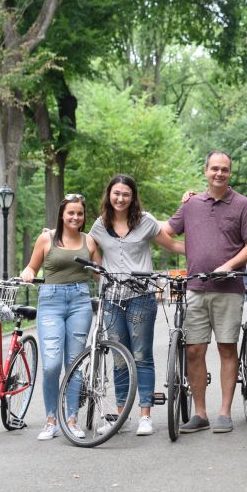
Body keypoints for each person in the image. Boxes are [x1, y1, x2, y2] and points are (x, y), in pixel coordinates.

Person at [163, 152, 247, 434]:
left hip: (229, 289)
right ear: (206, 171)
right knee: (194, 350)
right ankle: (200, 413)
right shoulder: (191, 204)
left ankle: (225, 412)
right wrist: (186, 249)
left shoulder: (242, 204)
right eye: (215, 169)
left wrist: (229, 265)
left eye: (225, 170)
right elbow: (165, 232)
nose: (219, 173)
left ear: (230, 173)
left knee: (227, 347)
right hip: (195, 287)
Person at [89, 174, 184, 436]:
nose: (120, 198)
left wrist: (205, 252)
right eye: (116, 193)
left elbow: (172, 243)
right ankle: (120, 416)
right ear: (109, 195)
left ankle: (145, 415)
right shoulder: (99, 225)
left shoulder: (145, 222)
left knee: (141, 355)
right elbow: (87, 249)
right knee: (119, 357)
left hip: (141, 298)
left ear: (133, 197)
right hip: (112, 299)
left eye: (126, 194)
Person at [21, 193, 100, 441]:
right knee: (52, 364)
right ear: (62, 215)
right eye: (71, 213)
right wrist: (27, 272)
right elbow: (32, 267)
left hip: (80, 301)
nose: (75, 217)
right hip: (51, 302)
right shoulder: (46, 238)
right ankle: (51, 420)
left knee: (74, 365)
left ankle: (71, 419)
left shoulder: (90, 241)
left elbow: (100, 272)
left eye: (80, 213)